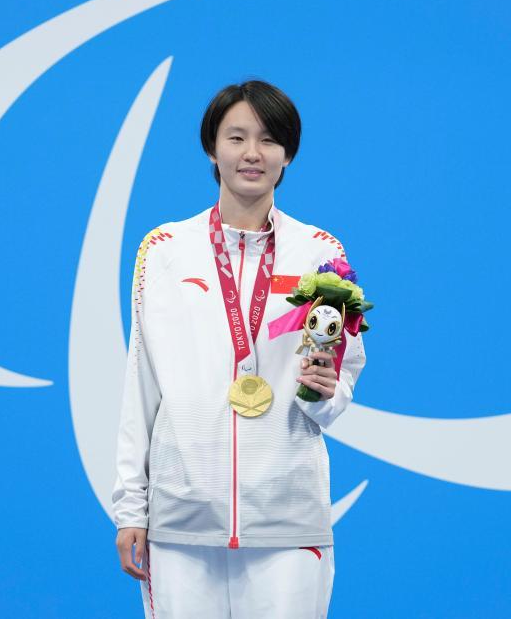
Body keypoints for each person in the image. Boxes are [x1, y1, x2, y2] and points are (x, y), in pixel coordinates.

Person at [112, 79, 368, 618]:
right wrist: (131, 508)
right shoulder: (164, 250)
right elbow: (141, 382)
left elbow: (338, 382)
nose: (253, 153)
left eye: (269, 140)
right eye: (236, 137)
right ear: (212, 148)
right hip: (182, 517)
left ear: (287, 155)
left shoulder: (321, 253)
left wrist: (325, 394)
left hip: (287, 518)